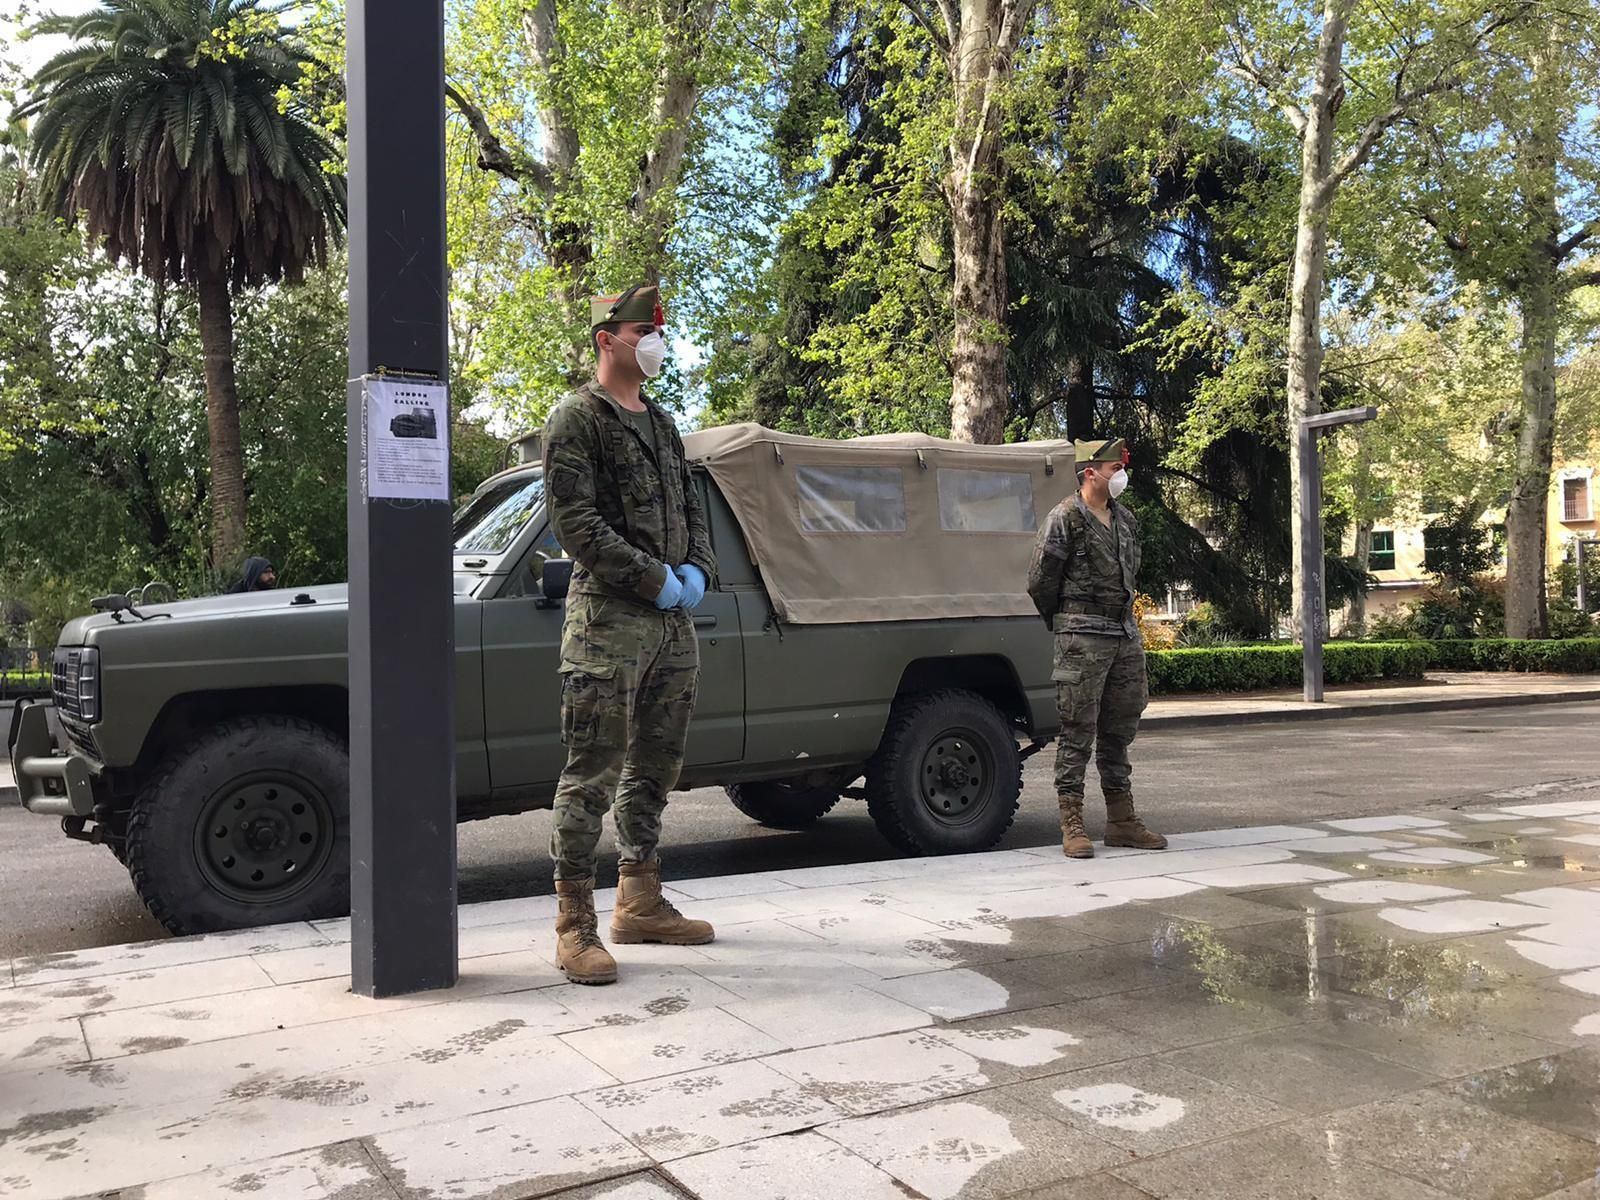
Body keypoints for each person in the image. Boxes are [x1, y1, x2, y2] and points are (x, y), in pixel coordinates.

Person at [539, 284, 718, 985]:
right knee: (591, 773)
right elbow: (576, 526)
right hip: (608, 622)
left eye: (658, 331)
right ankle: (574, 926)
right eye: (644, 329)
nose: (656, 342)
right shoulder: (576, 418)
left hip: (671, 625)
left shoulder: (664, 422)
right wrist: (653, 577)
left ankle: (639, 898)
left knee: (657, 765)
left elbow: (694, 507)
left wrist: (697, 570)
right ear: (606, 338)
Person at [1026, 438, 1167, 859]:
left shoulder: (1126, 519)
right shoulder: (1064, 519)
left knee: (1119, 729)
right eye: (1112, 468)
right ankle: (1072, 823)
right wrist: (1068, 622)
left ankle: (1122, 820)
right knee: (1077, 731)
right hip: (1082, 636)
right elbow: (1039, 582)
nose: (1119, 475)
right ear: (1090, 473)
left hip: (1122, 634)